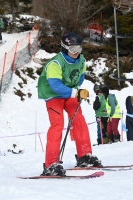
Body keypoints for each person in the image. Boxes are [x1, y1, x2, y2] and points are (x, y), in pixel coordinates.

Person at [37, 32, 102, 176]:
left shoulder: (81, 60)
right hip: (52, 94)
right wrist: (75, 93)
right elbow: (55, 86)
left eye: (79, 49)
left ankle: (85, 155)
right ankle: (51, 164)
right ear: (65, 48)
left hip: (69, 93)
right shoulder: (56, 63)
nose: (76, 53)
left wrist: (75, 89)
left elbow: (80, 76)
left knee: (79, 120)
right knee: (57, 124)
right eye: (73, 50)